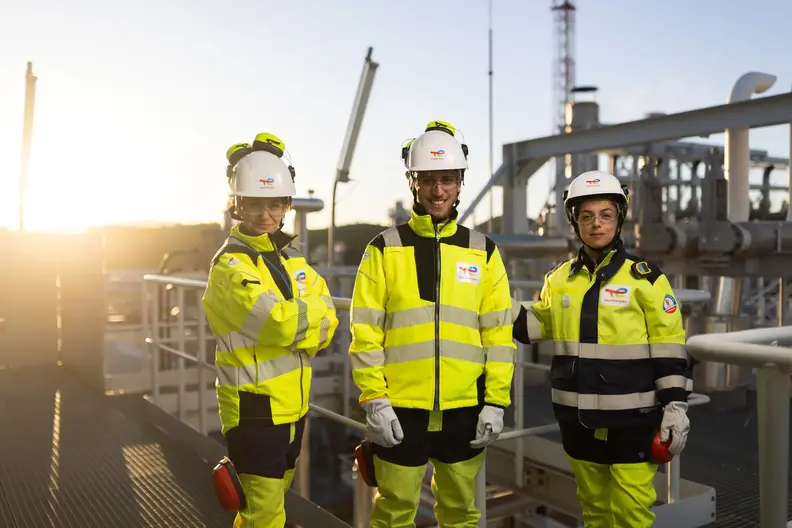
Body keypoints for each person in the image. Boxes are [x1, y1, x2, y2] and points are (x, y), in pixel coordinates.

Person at [349, 120, 516, 527]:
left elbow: (498, 335)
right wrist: (374, 400)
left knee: (461, 515)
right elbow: (365, 333)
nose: (438, 191)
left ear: (460, 184)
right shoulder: (383, 249)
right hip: (399, 411)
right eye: (427, 180)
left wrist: (496, 402)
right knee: (393, 514)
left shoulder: (483, 251)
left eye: (447, 180)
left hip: (465, 410)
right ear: (412, 183)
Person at [511, 170, 692, 527]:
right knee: (594, 511)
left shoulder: (646, 279)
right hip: (576, 420)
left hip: (633, 422)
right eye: (587, 216)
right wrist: (488, 300)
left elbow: (669, 345)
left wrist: (676, 406)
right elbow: (536, 326)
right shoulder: (559, 279)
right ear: (575, 222)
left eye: (605, 215)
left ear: (619, 219)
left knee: (630, 515)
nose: (596, 224)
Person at [202, 132, 339, 528]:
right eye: (255, 204)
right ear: (237, 205)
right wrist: (311, 314)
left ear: (286, 206)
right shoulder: (230, 267)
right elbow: (278, 324)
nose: (266, 215)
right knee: (263, 515)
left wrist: (306, 317)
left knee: (268, 509)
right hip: (255, 412)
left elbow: (330, 319)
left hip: (293, 408)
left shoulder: (291, 258)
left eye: (275, 204)